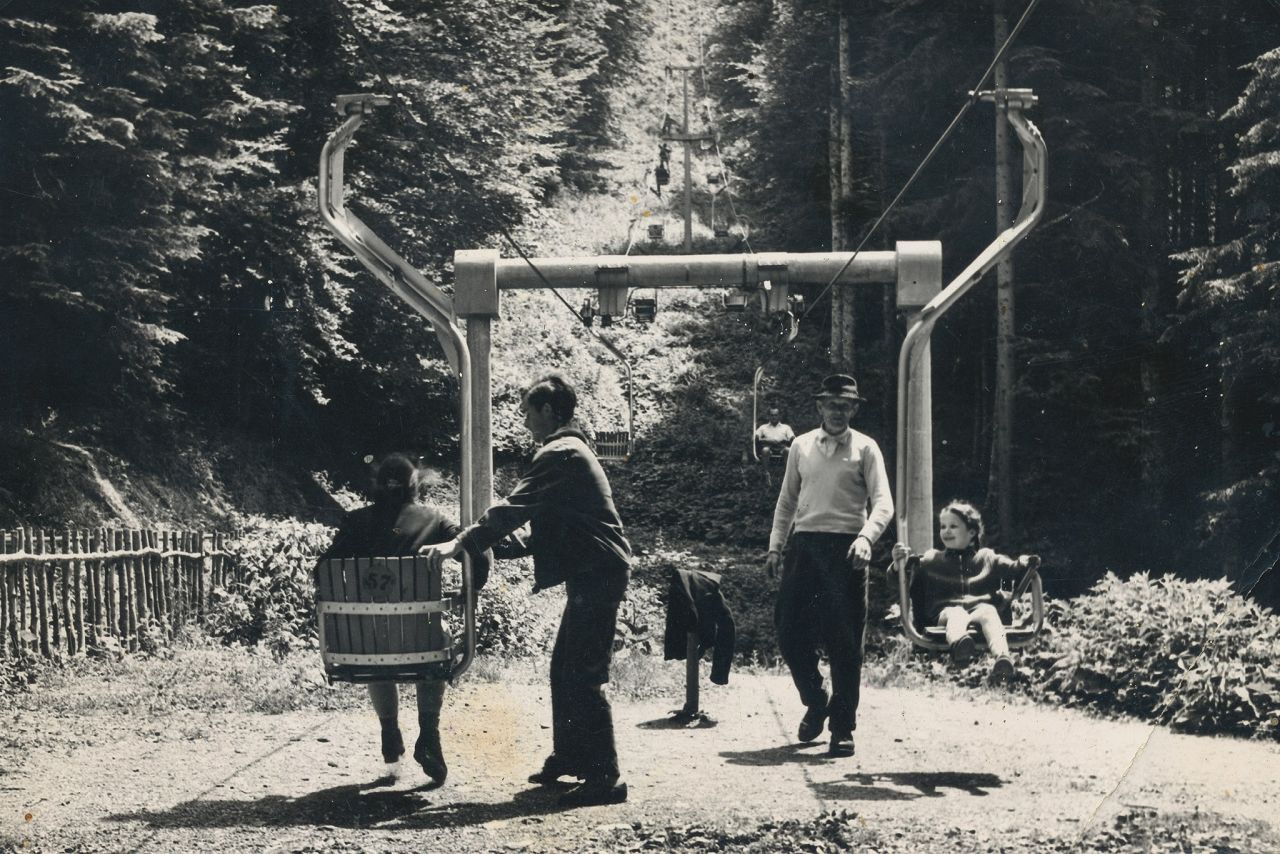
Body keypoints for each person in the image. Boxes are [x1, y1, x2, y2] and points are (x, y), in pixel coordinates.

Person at [421, 373, 631, 807]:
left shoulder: (562, 452)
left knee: (584, 673)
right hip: (593, 570)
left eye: (528, 412)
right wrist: (481, 545)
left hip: (598, 572)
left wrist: (463, 542)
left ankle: (606, 775)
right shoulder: (568, 452)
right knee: (563, 668)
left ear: (549, 412)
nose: (524, 421)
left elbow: (513, 509)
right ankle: (571, 755)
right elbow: (539, 531)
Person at [318, 453, 489, 785]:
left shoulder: (354, 522)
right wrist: (470, 592)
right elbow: (476, 556)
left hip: (363, 643)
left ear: (377, 486)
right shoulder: (435, 521)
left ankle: (389, 730)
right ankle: (429, 733)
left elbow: (323, 568)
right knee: (433, 638)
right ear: (414, 485)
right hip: (421, 639)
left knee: (377, 635)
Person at [764, 374, 893, 757]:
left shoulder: (866, 449)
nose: (838, 411)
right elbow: (787, 501)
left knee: (845, 642)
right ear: (819, 406)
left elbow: (883, 503)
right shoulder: (800, 446)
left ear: (854, 409)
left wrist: (866, 538)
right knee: (789, 631)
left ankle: (842, 727)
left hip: (847, 550)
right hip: (804, 547)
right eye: (831, 404)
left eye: (845, 405)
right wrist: (775, 548)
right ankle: (817, 698)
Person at [890, 501, 1041, 687]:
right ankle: (960, 645)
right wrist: (899, 565)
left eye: (953, 526)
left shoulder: (987, 558)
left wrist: (1023, 563)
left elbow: (1013, 569)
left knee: (988, 611)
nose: (946, 531)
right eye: (943, 526)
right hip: (943, 615)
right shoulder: (931, 560)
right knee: (956, 613)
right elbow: (901, 581)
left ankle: (1002, 657)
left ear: (972, 533)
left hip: (978, 611)